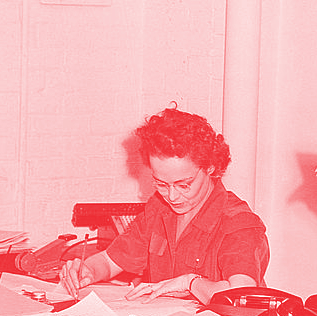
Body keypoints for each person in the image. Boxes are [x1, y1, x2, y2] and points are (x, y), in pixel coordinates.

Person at [60, 107, 270, 304]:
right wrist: (87, 270)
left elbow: (241, 296)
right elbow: (110, 261)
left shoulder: (239, 223)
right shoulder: (158, 208)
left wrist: (190, 283)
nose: (172, 196)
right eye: (161, 183)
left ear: (210, 167)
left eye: (184, 185)